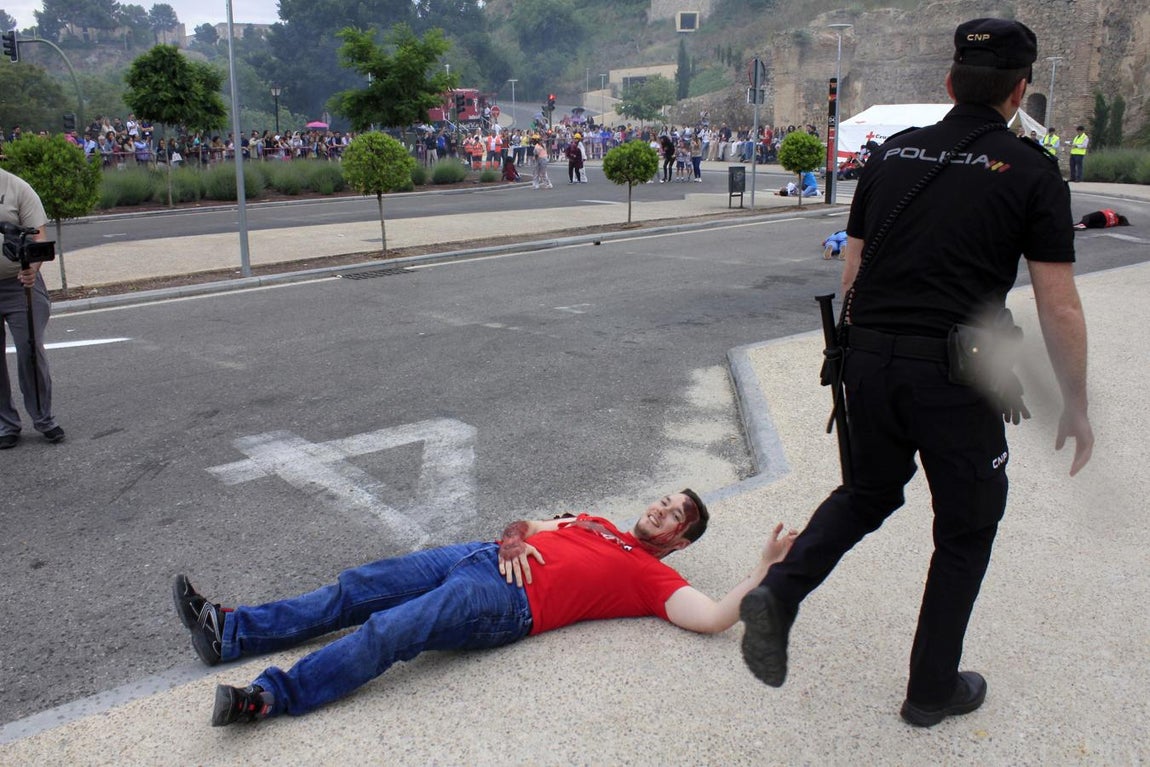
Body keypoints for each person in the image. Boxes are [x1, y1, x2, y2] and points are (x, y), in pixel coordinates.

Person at [739, 18, 1094, 728]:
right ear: (1020, 90)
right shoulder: (1029, 171)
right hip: (954, 377)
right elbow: (1058, 304)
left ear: (949, 82)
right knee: (966, 527)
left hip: (867, 358)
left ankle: (779, 592)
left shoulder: (893, 154)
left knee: (867, 491)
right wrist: (1076, 403)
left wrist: (869, 359)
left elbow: (853, 271)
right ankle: (931, 688)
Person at [174, 490, 798, 726]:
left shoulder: (652, 575)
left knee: (391, 629)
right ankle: (230, 631)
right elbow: (528, 519)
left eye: (676, 516)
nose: (662, 510)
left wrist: (765, 569)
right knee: (357, 587)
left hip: (504, 600)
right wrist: (513, 535)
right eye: (665, 500)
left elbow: (715, 617)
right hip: (479, 556)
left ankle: (270, 697)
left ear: (680, 540)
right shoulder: (597, 520)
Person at [0, 167, 65, 449]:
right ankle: (6, 424)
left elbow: (39, 238)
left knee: (30, 350)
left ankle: (43, 418)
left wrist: (32, 269)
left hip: (20, 285)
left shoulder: (16, 188)